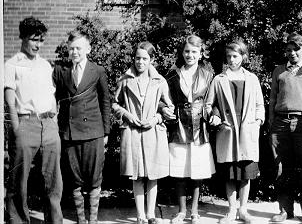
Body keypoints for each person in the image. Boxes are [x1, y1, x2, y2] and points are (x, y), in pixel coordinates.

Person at [4, 17, 63, 224]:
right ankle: (18, 220)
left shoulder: (45, 65)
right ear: (22, 38)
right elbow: (10, 103)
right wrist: (17, 131)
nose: (38, 45)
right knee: (19, 181)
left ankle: (54, 221)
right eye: (33, 39)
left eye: (41, 40)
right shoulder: (11, 65)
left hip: (48, 125)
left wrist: (53, 122)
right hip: (25, 124)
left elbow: (51, 97)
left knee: (53, 181)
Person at [53, 30, 111, 224]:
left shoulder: (98, 71)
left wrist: (106, 131)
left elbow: (105, 101)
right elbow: (56, 100)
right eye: (71, 48)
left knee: (94, 178)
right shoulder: (62, 72)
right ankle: (80, 219)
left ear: (88, 49)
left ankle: (93, 220)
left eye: (79, 48)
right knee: (74, 178)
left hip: (94, 132)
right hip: (70, 134)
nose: (75, 52)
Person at [112, 42, 172, 224]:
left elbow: (169, 108)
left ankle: (151, 214)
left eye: (145, 58)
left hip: (153, 132)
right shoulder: (125, 79)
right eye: (137, 58)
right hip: (133, 132)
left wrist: (156, 119)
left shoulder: (160, 81)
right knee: (137, 174)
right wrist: (127, 115)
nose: (140, 62)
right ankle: (140, 215)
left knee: (153, 175)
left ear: (151, 60)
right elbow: (114, 104)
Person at [205, 40, 265, 224]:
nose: (232, 59)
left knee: (245, 173)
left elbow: (259, 105)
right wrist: (213, 116)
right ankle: (231, 210)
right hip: (228, 132)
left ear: (243, 57)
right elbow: (209, 105)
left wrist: (258, 121)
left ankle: (243, 210)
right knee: (230, 174)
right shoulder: (219, 79)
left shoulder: (252, 78)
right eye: (229, 56)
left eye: (236, 56)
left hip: (247, 132)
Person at [161, 35, 216, 224]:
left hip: (200, 127)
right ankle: (181, 211)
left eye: (194, 52)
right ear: (182, 53)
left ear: (200, 54)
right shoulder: (173, 74)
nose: (190, 55)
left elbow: (214, 101)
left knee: (197, 171)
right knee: (180, 170)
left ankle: (194, 211)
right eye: (186, 51)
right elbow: (163, 99)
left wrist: (214, 114)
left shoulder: (208, 76)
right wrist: (163, 109)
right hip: (179, 127)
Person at [269, 33, 302, 224]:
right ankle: (285, 210)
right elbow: (273, 98)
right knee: (282, 168)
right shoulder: (279, 71)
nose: (292, 53)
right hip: (280, 123)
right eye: (289, 49)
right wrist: (271, 122)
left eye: (296, 49)